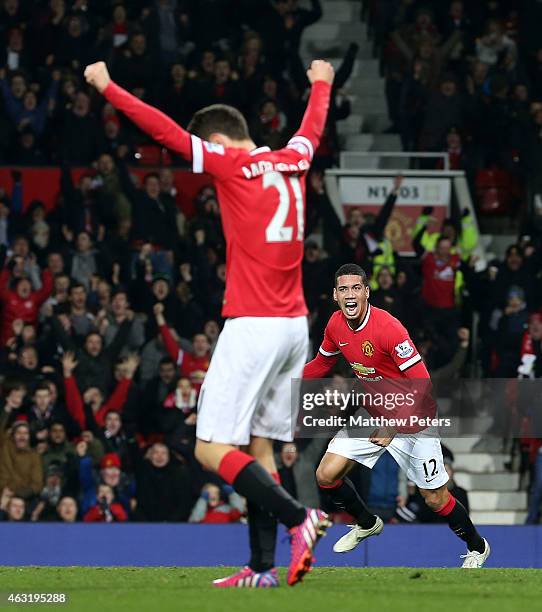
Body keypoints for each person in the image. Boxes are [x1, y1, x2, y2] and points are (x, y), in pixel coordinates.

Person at [84, 58, 334, 588]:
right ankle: (262, 568)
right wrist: (320, 83)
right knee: (260, 448)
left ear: (220, 140)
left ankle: (299, 518)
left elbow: (165, 132)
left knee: (208, 447)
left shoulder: (231, 165)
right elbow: (312, 127)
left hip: (255, 325)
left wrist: (108, 87)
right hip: (295, 327)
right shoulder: (293, 159)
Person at [303, 263, 490, 568]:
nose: (350, 295)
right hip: (374, 412)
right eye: (343, 289)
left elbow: (422, 383)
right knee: (325, 474)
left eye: (355, 288)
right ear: (335, 295)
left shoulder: (389, 328)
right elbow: (320, 366)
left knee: (435, 498)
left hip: (415, 419)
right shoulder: (335, 325)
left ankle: (477, 546)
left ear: (366, 292)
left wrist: (393, 423)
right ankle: (366, 523)